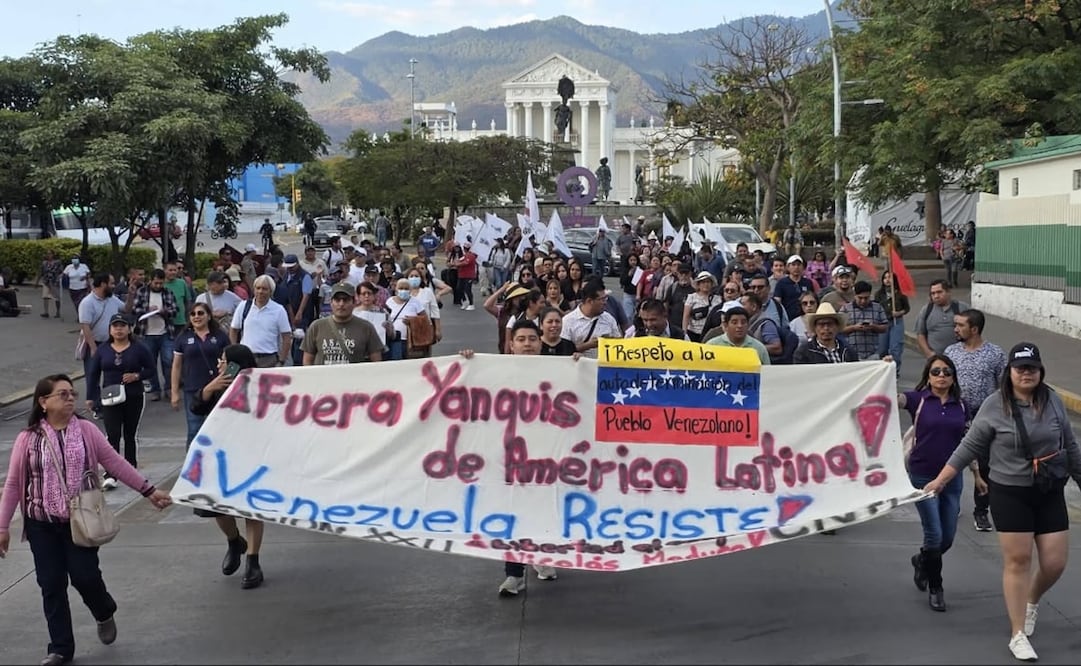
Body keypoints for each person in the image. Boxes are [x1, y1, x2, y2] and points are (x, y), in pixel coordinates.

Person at [922, 343, 1081, 662]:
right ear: (1009, 372)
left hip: (1048, 489)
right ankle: (1017, 632)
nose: (1026, 373)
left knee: (1054, 563)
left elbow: (1071, 446)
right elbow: (968, 447)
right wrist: (940, 481)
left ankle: (1031, 601)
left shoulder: (1052, 402)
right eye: (1020, 368)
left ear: (1040, 371)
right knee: (1019, 560)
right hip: (1009, 492)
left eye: (1032, 368)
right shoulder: (995, 406)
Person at [0, 374, 171, 666]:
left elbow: (114, 462)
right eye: (62, 394)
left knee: (85, 577)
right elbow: (15, 483)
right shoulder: (28, 438)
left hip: (80, 521)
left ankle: (104, 610)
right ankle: (60, 648)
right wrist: (3, 526)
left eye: (72, 394)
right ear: (43, 402)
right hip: (41, 523)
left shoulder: (87, 431)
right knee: (51, 584)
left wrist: (148, 490)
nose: (70, 399)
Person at [457, 320, 564, 596]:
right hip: (507, 458)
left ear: (540, 343)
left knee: (542, 511)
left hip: (545, 458)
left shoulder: (560, 371)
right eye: (521, 339)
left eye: (532, 339)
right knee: (512, 513)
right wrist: (468, 364)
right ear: (512, 344)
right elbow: (471, 392)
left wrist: (579, 367)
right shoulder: (496, 372)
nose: (527, 344)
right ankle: (514, 574)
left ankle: (540, 556)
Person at [892, 354, 978, 613]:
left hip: (951, 478)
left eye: (946, 372)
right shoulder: (917, 399)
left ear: (953, 378)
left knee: (948, 538)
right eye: (936, 372)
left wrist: (978, 474)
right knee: (934, 534)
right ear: (927, 376)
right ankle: (936, 587)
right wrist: (885, 371)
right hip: (922, 476)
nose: (941, 376)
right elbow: (890, 400)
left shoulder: (962, 406)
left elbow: (968, 441)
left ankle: (921, 560)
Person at [188, 345, 268, 590]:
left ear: (235, 365)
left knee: (251, 508)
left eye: (224, 360)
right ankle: (234, 541)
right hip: (218, 456)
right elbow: (196, 408)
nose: (220, 364)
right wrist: (209, 389)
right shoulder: (217, 386)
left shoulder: (259, 388)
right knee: (215, 507)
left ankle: (253, 561)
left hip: (250, 454)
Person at [945, 309, 1007, 533]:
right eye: (955, 324)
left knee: (984, 466)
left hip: (984, 417)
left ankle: (981, 511)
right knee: (951, 461)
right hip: (954, 413)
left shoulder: (995, 354)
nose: (955, 329)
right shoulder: (951, 352)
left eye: (960, 325)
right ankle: (950, 504)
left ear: (974, 329)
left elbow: (1004, 386)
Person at [86, 314, 155, 488]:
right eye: (115, 326)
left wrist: (137, 375)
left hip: (133, 396)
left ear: (129, 328)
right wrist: (91, 397)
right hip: (110, 398)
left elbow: (151, 369)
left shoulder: (139, 348)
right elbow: (93, 374)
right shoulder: (103, 350)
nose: (118, 329)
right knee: (113, 435)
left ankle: (131, 469)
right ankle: (111, 473)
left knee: (130, 434)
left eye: (122, 326)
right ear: (110, 329)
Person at [170, 302, 233, 445]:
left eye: (200, 313)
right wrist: (174, 392)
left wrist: (226, 377)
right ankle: (193, 465)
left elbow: (230, 361)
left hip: (217, 388)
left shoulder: (220, 336)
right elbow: (176, 366)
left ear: (209, 316)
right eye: (193, 314)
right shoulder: (183, 338)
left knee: (218, 428)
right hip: (192, 389)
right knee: (194, 429)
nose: (196, 317)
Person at [302, 284, 383, 365]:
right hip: (324, 377)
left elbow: (377, 363)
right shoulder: (316, 327)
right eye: (337, 300)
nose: (341, 304)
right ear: (331, 302)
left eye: (346, 300)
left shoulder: (366, 328)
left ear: (354, 302)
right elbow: (307, 361)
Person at [229, 275, 292, 368]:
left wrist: (282, 360)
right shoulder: (243, 306)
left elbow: (287, 337)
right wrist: (235, 351)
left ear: (271, 291)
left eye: (264, 289)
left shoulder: (278, 310)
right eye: (258, 288)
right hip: (246, 358)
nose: (260, 291)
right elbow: (234, 330)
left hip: (269, 359)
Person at [705, 306, 771, 365]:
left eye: (743, 322)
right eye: (734, 322)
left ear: (748, 325)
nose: (739, 326)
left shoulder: (759, 348)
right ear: (726, 325)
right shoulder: (712, 345)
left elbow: (767, 373)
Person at [874, 271, 910, 378]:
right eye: (885, 278)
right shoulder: (879, 295)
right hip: (883, 322)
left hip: (896, 322)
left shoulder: (900, 294)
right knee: (882, 349)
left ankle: (895, 371)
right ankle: (883, 370)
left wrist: (899, 313)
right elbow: (875, 307)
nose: (887, 280)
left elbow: (907, 308)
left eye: (890, 277)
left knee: (895, 348)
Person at [36, 250, 63, 319]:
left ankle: (58, 312)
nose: (48, 255)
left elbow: (61, 271)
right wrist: (37, 281)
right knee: (45, 297)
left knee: (57, 297)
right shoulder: (44, 263)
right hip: (46, 281)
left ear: (53, 254)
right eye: (47, 254)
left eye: (50, 254)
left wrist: (59, 277)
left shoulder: (57, 263)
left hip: (54, 282)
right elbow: (40, 272)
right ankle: (46, 312)